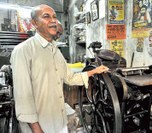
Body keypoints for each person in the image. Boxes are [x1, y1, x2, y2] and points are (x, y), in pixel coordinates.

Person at [10, 4, 108, 133]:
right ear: (34, 23)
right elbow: (23, 95)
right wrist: (36, 129)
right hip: (39, 124)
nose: (53, 20)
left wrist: (94, 71)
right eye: (46, 16)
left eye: (54, 17)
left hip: (58, 119)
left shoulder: (55, 50)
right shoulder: (23, 50)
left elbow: (69, 77)